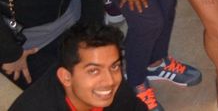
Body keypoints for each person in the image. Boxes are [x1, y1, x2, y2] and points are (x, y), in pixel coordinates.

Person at [10, 23, 145, 111]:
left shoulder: (115, 86)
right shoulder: (35, 106)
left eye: (114, 66)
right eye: (93, 70)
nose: (110, 81)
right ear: (66, 77)